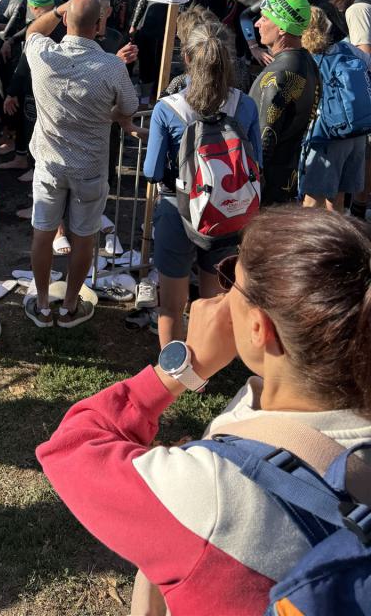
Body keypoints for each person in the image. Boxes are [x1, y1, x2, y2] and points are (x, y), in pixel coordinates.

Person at [38, 206, 371, 616]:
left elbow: (72, 445)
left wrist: (180, 369)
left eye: (231, 279)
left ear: (259, 328)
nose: (217, 296)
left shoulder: (212, 491)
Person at [23, 0, 138, 328]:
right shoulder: (112, 66)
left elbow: (33, 30)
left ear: (65, 20)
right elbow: (129, 108)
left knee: (43, 234)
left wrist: (59, 9)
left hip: (49, 165)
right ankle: (70, 305)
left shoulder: (43, 55)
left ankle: (42, 304)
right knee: (84, 236)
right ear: (100, 25)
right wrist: (108, 114)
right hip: (90, 167)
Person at [144, 21, 262, 345]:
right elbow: (257, 163)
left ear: (186, 56)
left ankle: (174, 368)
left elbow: (152, 171)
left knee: (171, 306)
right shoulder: (246, 105)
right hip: (227, 211)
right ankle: (207, 361)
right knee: (214, 300)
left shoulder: (167, 109)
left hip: (177, 210)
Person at [250, 0, 320, 205]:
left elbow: (265, 136)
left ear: (282, 28)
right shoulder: (308, 62)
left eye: (265, 18)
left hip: (266, 188)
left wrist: (252, 183)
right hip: (289, 178)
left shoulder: (279, 74)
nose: (257, 24)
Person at [300, 6, 368, 210]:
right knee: (337, 197)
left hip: (326, 136)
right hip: (357, 131)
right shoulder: (347, 49)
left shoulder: (305, 58)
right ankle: (338, 232)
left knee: (312, 200)